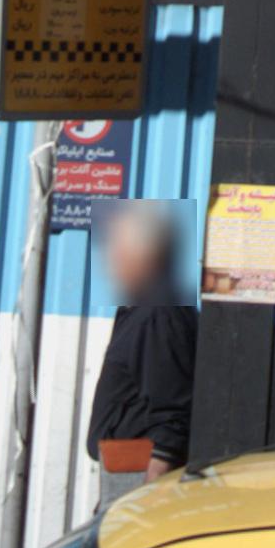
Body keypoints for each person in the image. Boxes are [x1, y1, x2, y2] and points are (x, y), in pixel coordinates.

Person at [87, 203, 198, 505]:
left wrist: (149, 495)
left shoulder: (158, 314)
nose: (112, 260)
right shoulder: (140, 307)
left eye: (119, 252)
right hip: (123, 472)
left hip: (140, 479)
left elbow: (173, 412)